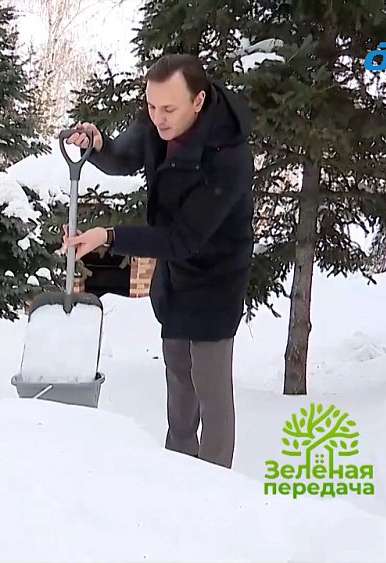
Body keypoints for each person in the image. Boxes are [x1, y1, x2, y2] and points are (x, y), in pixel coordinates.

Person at [61, 53, 254, 469]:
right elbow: (122, 157)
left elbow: (184, 237)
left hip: (216, 277)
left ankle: (216, 485)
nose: (158, 118)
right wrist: (97, 145)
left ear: (198, 102)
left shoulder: (229, 156)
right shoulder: (158, 123)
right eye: (151, 107)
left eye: (168, 109)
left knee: (211, 390)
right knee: (178, 384)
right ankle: (177, 478)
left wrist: (107, 236)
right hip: (175, 275)